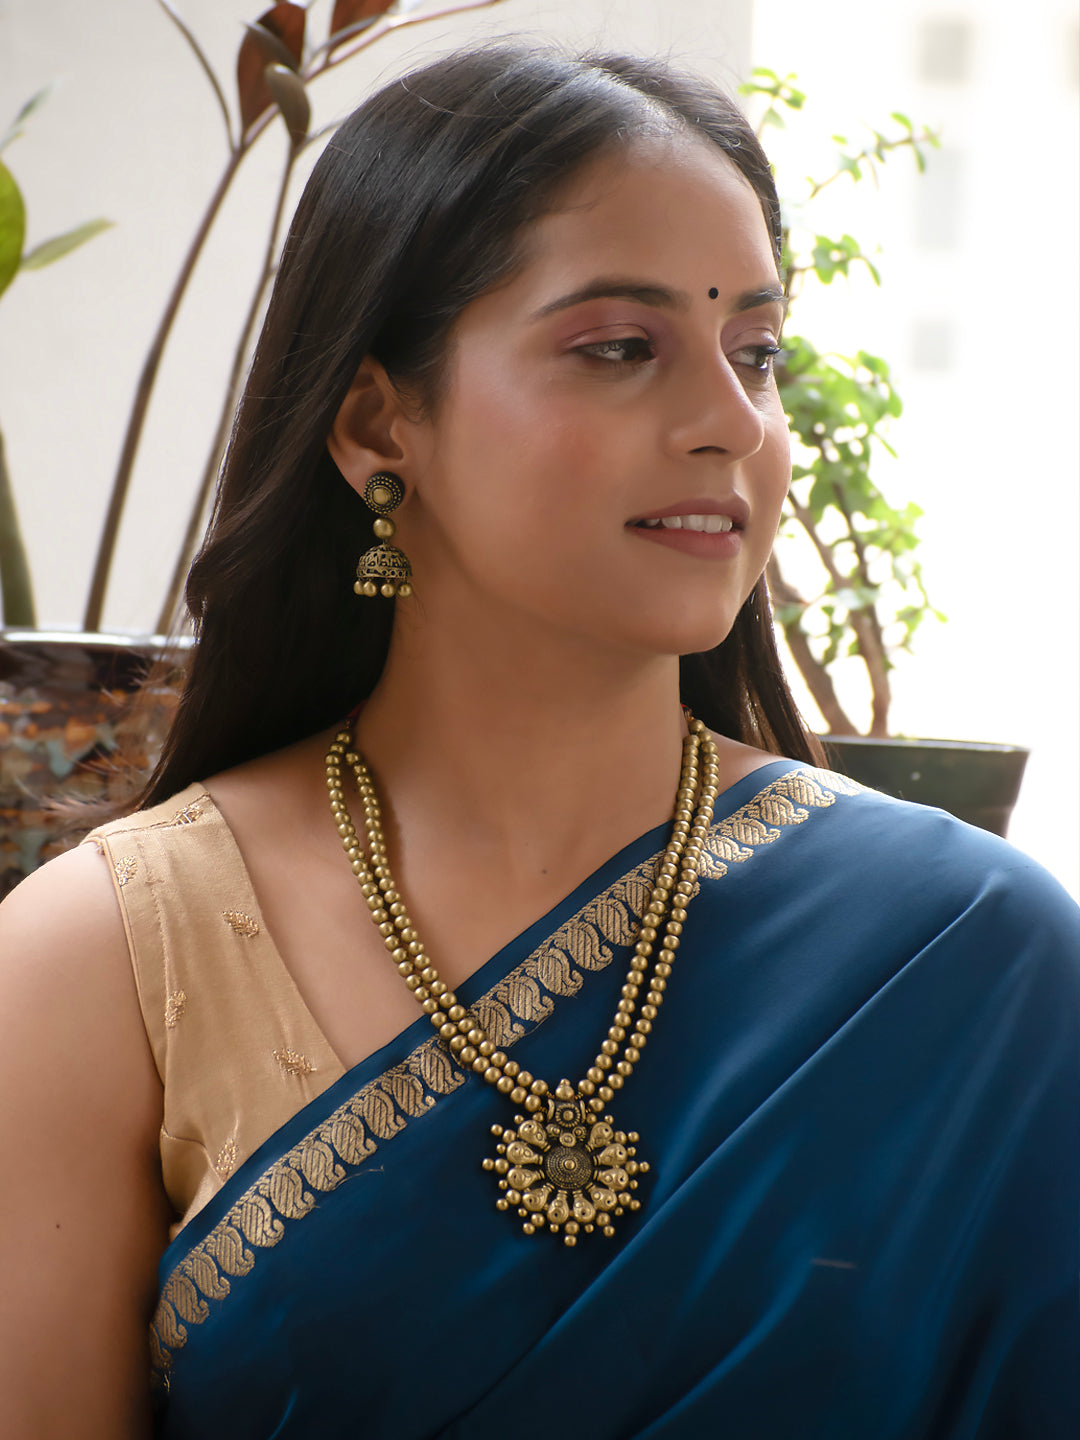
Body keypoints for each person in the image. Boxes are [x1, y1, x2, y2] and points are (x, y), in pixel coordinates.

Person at [0, 44, 1075, 1440]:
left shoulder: (970, 962)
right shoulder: (105, 964)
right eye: (620, 349)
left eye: (757, 353)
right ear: (377, 422)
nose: (730, 422)